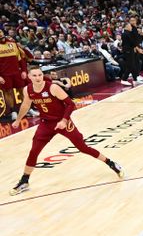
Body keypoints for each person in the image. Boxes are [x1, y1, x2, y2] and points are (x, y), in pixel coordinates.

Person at [8, 67, 123, 196]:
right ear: (29, 77)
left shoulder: (52, 88)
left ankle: (111, 163)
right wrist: (18, 120)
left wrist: (64, 120)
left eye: (40, 75)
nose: (38, 77)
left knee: (83, 147)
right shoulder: (27, 89)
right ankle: (24, 181)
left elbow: (70, 104)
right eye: (34, 75)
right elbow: (25, 105)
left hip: (63, 122)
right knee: (34, 151)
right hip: (46, 124)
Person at [120, 17, 143, 87]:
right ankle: (124, 79)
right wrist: (138, 49)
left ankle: (135, 79)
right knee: (130, 66)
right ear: (126, 27)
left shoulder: (127, 33)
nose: (131, 27)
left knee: (132, 65)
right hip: (128, 51)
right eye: (130, 26)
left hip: (130, 50)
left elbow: (133, 42)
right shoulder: (125, 34)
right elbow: (132, 42)